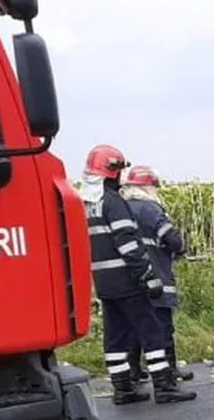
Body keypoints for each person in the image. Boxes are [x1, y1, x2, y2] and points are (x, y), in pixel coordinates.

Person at [80, 144, 194, 405]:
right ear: (111, 171)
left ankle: (122, 389)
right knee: (152, 332)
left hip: (104, 283)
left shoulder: (88, 205)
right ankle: (164, 386)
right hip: (126, 280)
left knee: (116, 336)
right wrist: (147, 275)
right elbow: (128, 244)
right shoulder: (114, 203)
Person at [120, 164, 196, 388]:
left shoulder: (122, 208)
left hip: (131, 278)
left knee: (135, 325)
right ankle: (168, 370)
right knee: (163, 326)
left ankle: (133, 370)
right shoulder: (150, 208)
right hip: (157, 274)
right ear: (148, 187)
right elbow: (171, 238)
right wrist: (179, 247)